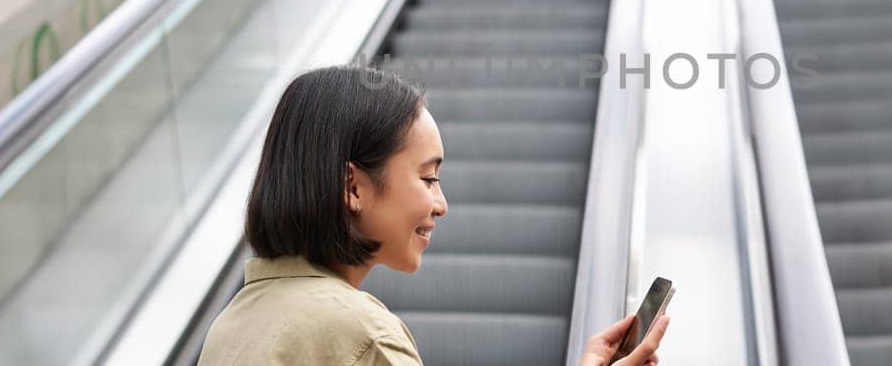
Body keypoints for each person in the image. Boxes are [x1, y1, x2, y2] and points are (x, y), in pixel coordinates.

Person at [199, 65, 669, 365]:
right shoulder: (362, 336)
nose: (441, 204)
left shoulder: (233, 324)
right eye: (427, 178)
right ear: (352, 187)